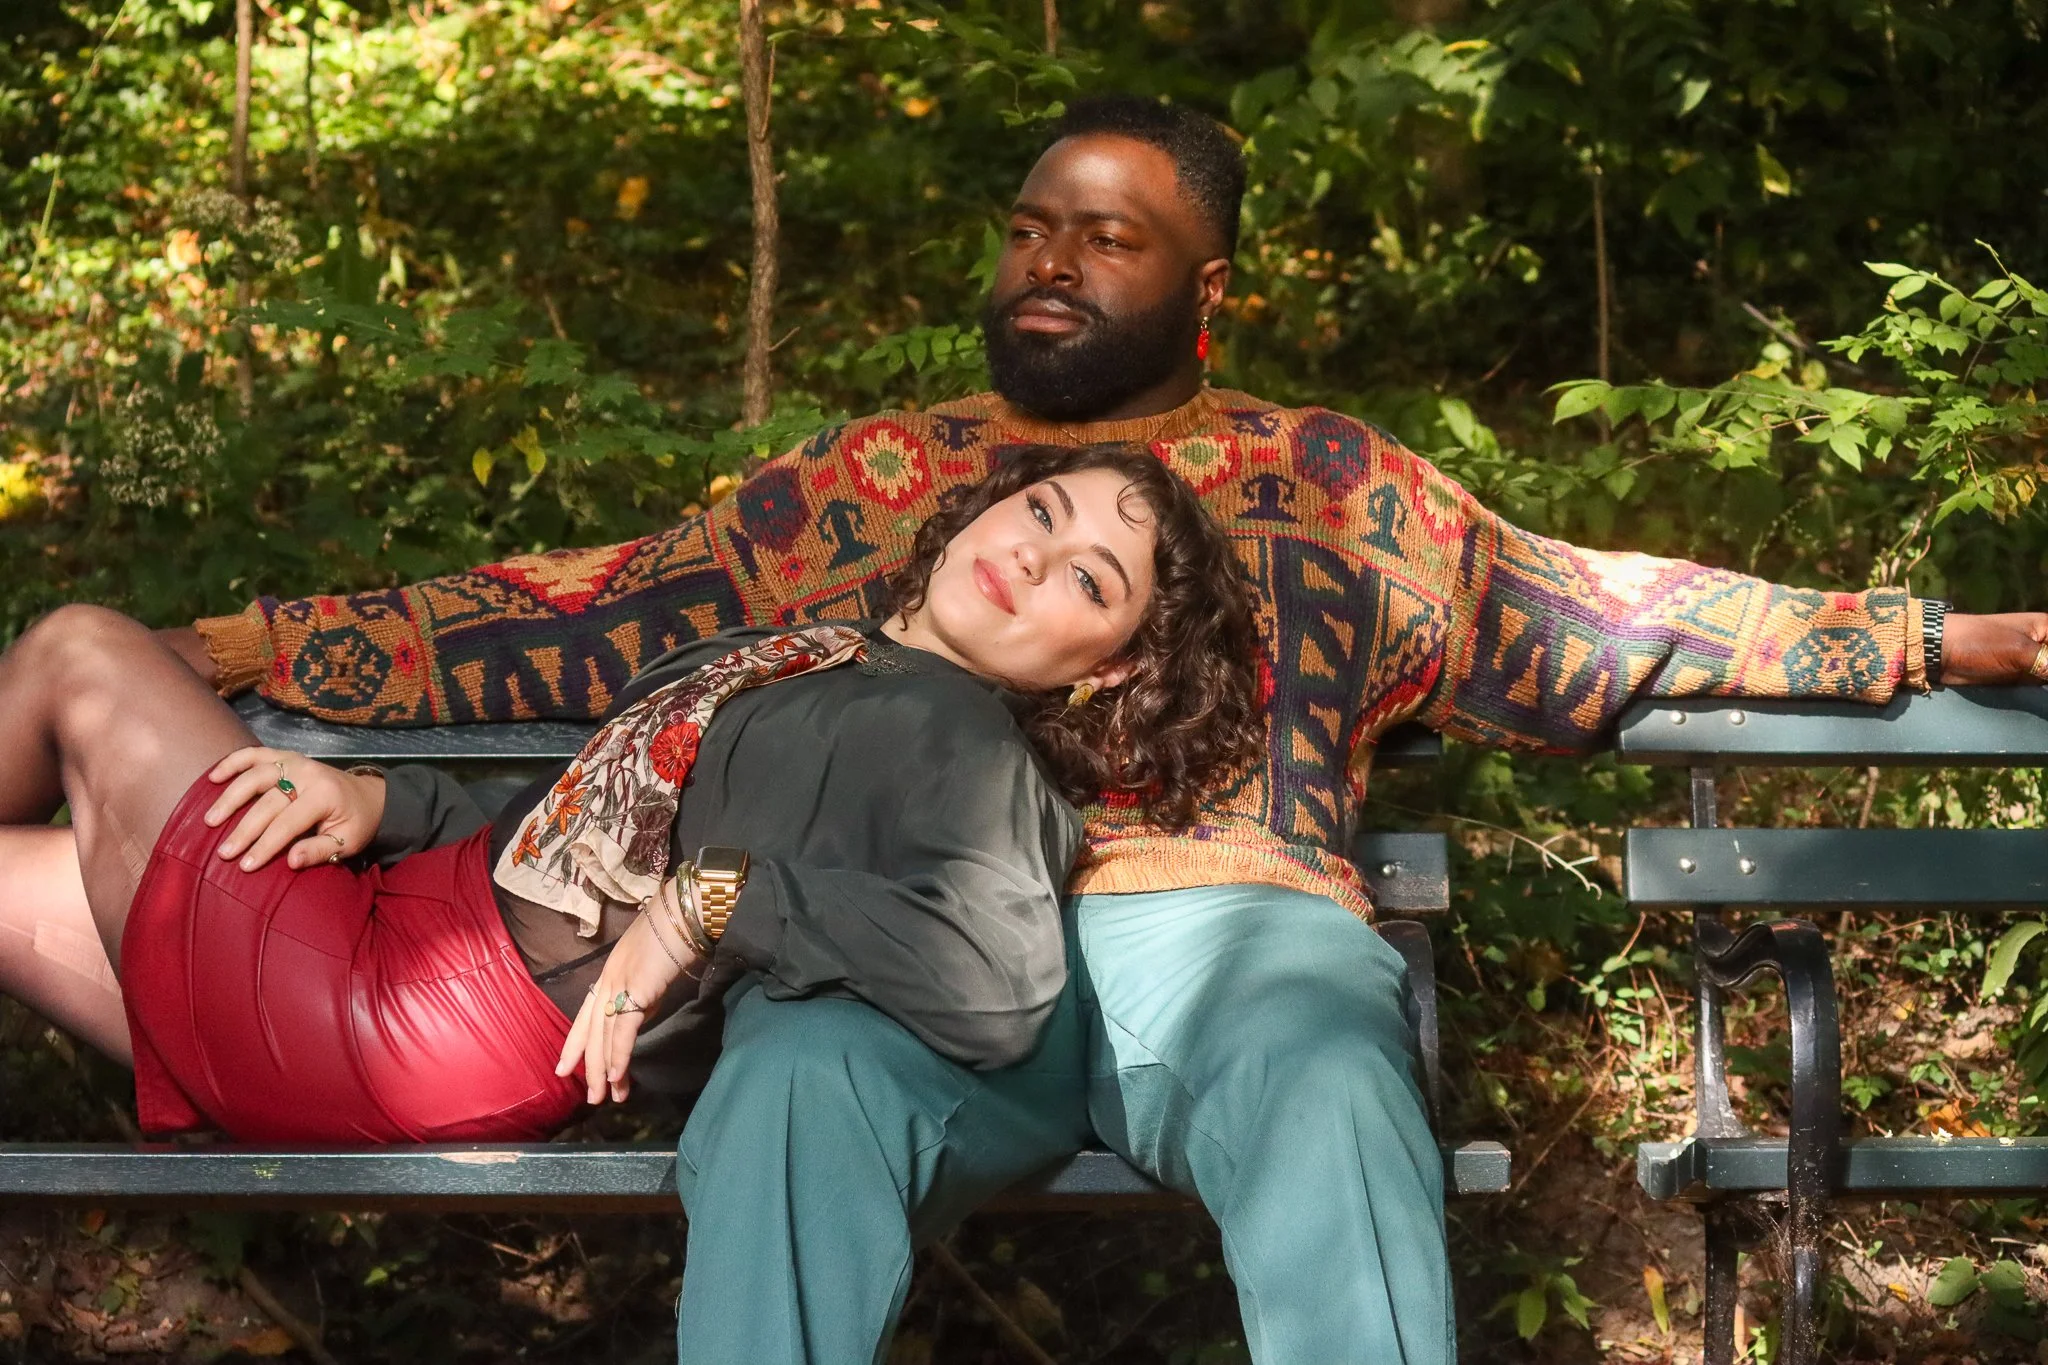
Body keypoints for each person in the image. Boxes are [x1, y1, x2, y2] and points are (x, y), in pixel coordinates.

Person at [148, 95, 2048, 1363]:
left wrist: (1917, 634)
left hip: (1214, 941)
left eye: (1110, 238)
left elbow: (1603, 606)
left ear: (1204, 288)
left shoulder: (1331, 482)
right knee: (791, 1094)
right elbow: (598, 610)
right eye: (1033, 227)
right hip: (899, 956)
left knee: (1326, 1064)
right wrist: (263, 641)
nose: (1051, 261)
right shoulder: (887, 483)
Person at [0, 442, 1259, 1157]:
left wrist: (706, 906)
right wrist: (376, 798)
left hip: (412, 1029)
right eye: (1041, 509)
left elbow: (998, 983)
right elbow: (588, 816)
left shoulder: (953, 739)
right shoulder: (840, 657)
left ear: (1110, 668)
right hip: (397, 949)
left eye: (1088, 581)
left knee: (78, 650)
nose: (1034, 552)